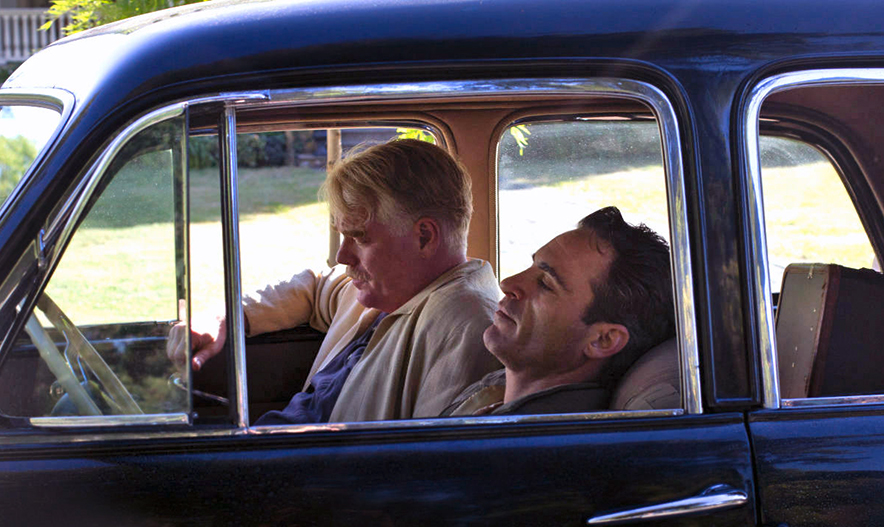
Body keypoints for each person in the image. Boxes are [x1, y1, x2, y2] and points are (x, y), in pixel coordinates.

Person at [169, 138, 500, 423]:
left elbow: (421, 462)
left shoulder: (468, 332)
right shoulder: (391, 290)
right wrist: (225, 316)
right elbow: (314, 287)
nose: (342, 256)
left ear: (424, 237)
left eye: (359, 237)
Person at [443, 206, 674, 416]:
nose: (508, 283)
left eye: (545, 283)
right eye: (531, 267)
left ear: (603, 339)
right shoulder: (494, 391)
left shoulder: (528, 443)